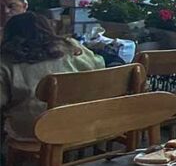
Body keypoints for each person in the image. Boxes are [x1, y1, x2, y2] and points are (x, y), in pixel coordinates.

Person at [0, 12, 104, 142]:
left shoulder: (5, 61)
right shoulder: (71, 46)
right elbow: (99, 65)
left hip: (32, 130)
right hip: (79, 123)